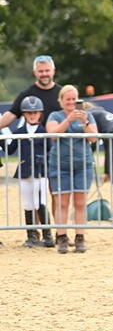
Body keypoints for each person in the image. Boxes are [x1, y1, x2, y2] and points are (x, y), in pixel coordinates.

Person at [45, 85, 98, 253]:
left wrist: (84, 121)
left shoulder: (87, 115)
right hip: (60, 165)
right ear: (61, 100)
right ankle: (62, 237)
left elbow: (93, 138)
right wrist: (68, 120)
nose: (71, 102)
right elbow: (53, 134)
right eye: (67, 99)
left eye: (74, 99)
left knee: (80, 202)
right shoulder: (55, 116)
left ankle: (80, 237)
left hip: (82, 165)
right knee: (62, 202)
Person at [4, 96, 54, 248]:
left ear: (40, 114)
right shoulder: (19, 131)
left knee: (41, 202)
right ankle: (31, 236)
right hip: (25, 170)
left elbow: (50, 150)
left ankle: (47, 236)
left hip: (40, 170)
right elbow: (10, 149)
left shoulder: (44, 131)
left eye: (35, 112)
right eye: (29, 113)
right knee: (28, 203)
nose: (32, 115)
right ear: (24, 114)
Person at [0, 54, 63, 132]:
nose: (44, 74)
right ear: (35, 72)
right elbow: (11, 114)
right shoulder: (26, 94)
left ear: (54, 71)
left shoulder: (63, 93)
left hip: (58, 142)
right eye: (40, 71)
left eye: (47, 70)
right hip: (35, 143)